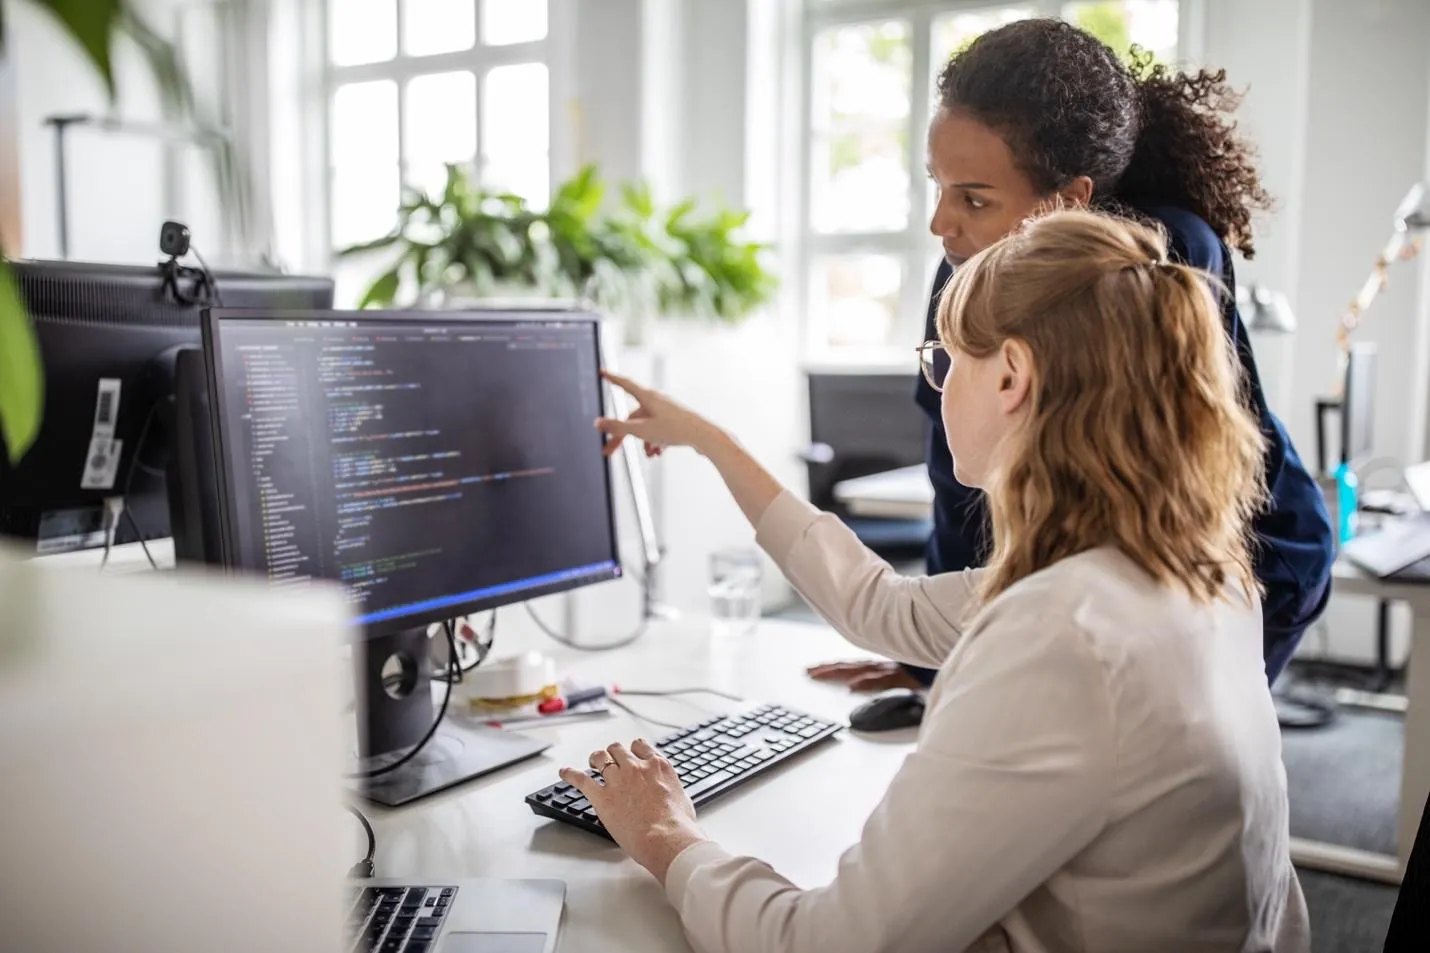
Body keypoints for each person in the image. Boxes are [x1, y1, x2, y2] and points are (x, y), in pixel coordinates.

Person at [563, 210, 1309, 952]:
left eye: (945, 361)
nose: (938, 389)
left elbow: (828, 944)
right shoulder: (1187, 570)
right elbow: (878, 604)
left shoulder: (1064, 634)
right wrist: (714, 444)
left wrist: (665, 835)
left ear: (1011, 375)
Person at [808, 18, 1334, 699]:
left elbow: (1147, 502)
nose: (942, 222)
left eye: (973, 197)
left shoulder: (1162, 256)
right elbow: (959, 483)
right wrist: (935, 659)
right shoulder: (964, 267)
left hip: (1245, 559)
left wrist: (980, 662)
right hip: (1105, 580)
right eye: (938, 185)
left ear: (1069, 199)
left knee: (1146, 766)